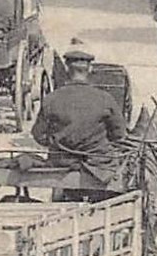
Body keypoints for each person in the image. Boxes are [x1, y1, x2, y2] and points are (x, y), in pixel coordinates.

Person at [32, 48, 129, 187]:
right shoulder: (105, 98)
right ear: (89, 69)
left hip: (61, 162)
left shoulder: (51, 99)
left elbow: (38, 134)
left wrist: (57, 142)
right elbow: (119, 134)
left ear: (67, 70)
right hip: (98, 165)